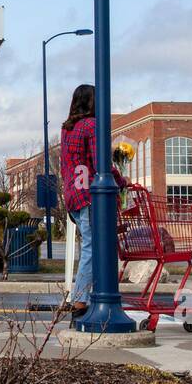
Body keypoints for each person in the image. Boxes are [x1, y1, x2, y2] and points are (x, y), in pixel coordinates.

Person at [58, 83, 128, 318]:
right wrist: (120, 179)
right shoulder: (92, 125)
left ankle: (87, 296)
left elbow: (67, 164)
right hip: (90, 195)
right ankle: (80, 301)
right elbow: (101, 165)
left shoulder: (67, 128)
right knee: (92, 247)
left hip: (73, 194)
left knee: (90, 246)